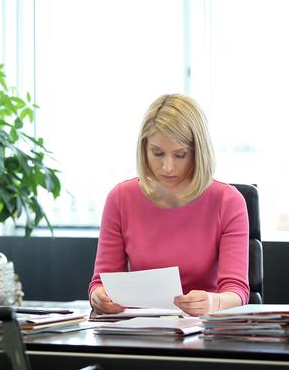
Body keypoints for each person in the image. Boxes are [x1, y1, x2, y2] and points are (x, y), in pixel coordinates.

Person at [88, 94, 249, 317]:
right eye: (158, 153)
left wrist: (214, 302)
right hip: (139, 330)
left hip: (204, 330)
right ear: (144, 149)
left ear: (198, 152)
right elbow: (100, 283)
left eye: (180, 155)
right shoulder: (120, 199)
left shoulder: (228, 202)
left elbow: (237, 291)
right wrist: (99, 297)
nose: (168, 167)